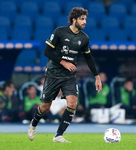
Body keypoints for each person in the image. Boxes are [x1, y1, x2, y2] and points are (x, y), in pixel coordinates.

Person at [28, 7, 102, 143]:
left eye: (86, 19)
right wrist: (64, 62)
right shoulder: (60, 32)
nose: (85, 22)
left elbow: (88, 58)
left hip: (69, 76)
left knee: (73, 103)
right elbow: (47, 52)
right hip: (53, 73)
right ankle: (34, 123)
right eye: (82, 19)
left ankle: (58, 135)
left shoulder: (84, 38)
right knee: (45, 107)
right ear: (74, 20)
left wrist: (97, 77)